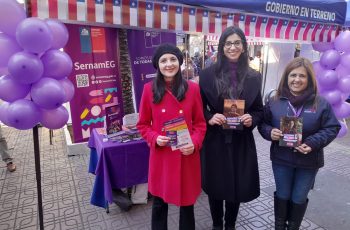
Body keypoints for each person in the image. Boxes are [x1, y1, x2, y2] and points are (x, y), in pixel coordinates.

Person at [258, 57, 340, 230]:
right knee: (283, 195)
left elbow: (332, 127)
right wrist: (269, 132)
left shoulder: (320, 103)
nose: (296, 80)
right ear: (286, 77)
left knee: (298, 198)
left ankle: (293, 227)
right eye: (292, 75)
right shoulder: (274, 101)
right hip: (282, 160)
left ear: (309, 79)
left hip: (308, 162)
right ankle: (279, 226)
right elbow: (263, 123)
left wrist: (312, 143)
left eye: (302, 76)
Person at [199, 26, 264, 229]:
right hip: (216, 138)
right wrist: (210, 116)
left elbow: (259, 110)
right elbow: (198, 108)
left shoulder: (254, 76)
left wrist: (250, 119)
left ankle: (230, 225)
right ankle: (217, 224)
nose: (232, 47)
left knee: (236, 184)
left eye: (237, 43)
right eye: (228, 43)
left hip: (240, 140)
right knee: (216, 184)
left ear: (244, 47)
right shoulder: (207, 74)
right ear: (221, 46)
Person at [137, 43, 206, 230]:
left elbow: (200, 123)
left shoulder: (193, 89)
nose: (169, 64)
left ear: (180, 62)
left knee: (187, 206)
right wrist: (154, 138)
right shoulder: (148, 90)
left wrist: (195, 143)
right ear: (157, 65)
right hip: (162, 157)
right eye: (164, 60)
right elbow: (142, 125)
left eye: (173, 59)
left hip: (186, 155)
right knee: (159, 205)